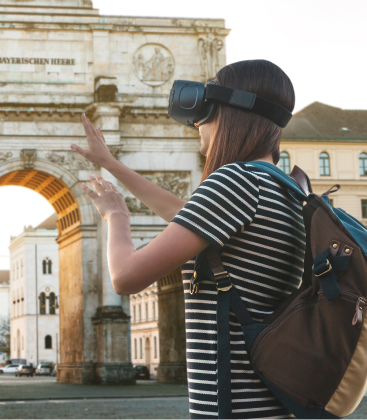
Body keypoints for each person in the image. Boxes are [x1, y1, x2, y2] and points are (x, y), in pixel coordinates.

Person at [73, 60, 300, 418]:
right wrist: (115, 166)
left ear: (231, 113)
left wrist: (116, 215)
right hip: (273, 407)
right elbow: (185, 213)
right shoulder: (283, 187)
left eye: (206, 110)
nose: (197, 122)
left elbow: (125, 277)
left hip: (231, 410)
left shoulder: (235, 182)